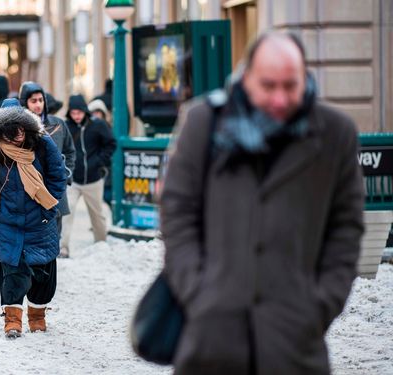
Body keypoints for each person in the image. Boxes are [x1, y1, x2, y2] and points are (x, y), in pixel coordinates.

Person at [161, 32, 364, 374]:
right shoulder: (204, 122)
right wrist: (196, 291)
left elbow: (346, 226)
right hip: (212, 340)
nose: (281, 99)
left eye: (291, 85)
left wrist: (320, 304)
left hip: (295, 344)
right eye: (269, 86)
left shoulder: (335, 133)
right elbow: (177, 210)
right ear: (247, 77)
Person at [0, 98, 66, 338]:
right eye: (9, 133)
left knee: (43, 270)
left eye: (18, 130)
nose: (15, 136)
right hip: (8, 222)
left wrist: (49, 207)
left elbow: (57, 176)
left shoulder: (42, 144)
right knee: (12, 271)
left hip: (40, 219)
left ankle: (37, 316)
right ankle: (12, 320)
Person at [60, 95, 116, 258]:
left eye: (79, 112)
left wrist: (99, 161)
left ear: (85, 111)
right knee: (66, 212)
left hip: (93, 178)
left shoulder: (98, 125)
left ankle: (101, 244)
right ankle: (63, 248)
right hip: (73, 180)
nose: (76, 116)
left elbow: (111, 144)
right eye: (73, 112)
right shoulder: (66, 127)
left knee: (97, 214)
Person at [19, 82, 76, 235]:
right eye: (33, 101)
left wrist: (66, 175)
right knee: (34, 237)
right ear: (25, 103)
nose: (38, 105)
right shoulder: (18, 127)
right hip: (30, 191)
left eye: (40, 100)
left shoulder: (58, 124)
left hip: (55, 189)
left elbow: (70, 151)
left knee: (54, 237)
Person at [87, 99, 113, 206]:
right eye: (93, 113)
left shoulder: (107, 128)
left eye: (98, 112)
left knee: (108, 196)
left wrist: (100, 160)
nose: (95, 115)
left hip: (106, 168)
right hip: (95, 170)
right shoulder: (87, 129)